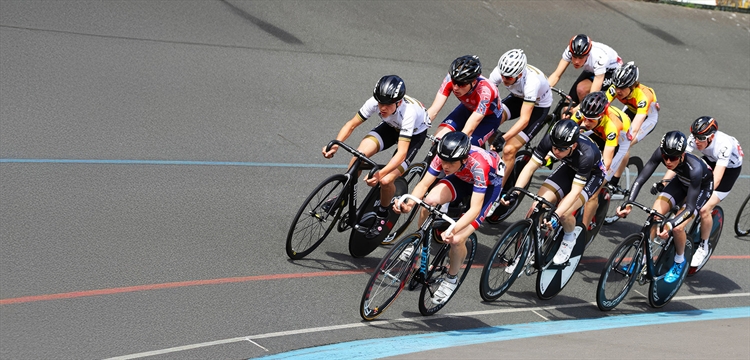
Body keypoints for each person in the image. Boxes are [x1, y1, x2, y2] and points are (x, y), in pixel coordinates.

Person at [393, 131, 503, 304]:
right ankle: (421, 246)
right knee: (428, 201)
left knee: (457, 239)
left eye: (450, 162)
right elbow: (424, 184)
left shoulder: (479, 166)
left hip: (488, 187)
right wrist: (409, 203)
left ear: (464, 159)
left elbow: (475, 209)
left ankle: (451, 279)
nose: (445, 165)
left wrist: (454, 228)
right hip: (462, 178)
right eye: (443, 160)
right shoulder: (443, 156)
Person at [322, 75, 431, 238]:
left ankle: (382, 214)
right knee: (359, 155)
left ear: (398, 102)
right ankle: (343, 196)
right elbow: (351, 124)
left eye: (387, 105)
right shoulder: (376, 102)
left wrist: (381, 173)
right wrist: (336, 144)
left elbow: (402, 153)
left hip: (414, 135)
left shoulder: (409, 113)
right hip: (390, 127)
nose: (382, 108)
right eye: (380, 103)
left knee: (386, 180)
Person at [615, 131, 714, 283]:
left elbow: (689, 208)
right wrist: (629, 202)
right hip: (680, 182)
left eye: (673, 158)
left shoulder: (695, 169)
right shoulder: (661, 154)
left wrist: (670, 223)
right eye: (665, 156)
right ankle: (642, 260)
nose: (668, 161)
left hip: (700, 188)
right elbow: (641, 179)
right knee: (654, 215)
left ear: (682, 155)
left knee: (677, 228)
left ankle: (679, 261)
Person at [503, 119, 606, 266]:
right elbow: (530, 167)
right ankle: (529, 248)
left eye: (561, 149)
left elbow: (575, 192)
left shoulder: (586, 155)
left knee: (564, 213)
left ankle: (569, 238)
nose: (556, 152)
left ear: (574, 145)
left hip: (592, 175)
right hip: (569, 166)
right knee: (536, 206)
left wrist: (556, 215)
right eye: (554, 147)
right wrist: (515, 193)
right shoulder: (549, 140)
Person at [487, 49, 553, 188]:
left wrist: (503, 139)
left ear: (520, 74)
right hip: (518, 98)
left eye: (509, 78)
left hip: (537, 106)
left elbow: (524, 120)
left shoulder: (531, 83)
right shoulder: (499, 72)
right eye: (503, 76)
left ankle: (496, 193)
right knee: (487, 123)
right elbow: (486, 100)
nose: (504, 80)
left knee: (509, 149)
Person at [685, 117, 743, 267]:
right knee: (685, 186)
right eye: (695, 137)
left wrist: (704, 197)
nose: (697, 141)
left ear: (711, 136)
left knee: (704, 209)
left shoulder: (724, 145)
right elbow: (680, 159)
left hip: (729, 170)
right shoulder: (697, 137)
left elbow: (716, 180)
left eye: (701, 138)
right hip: (711, 160)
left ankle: (703, 247)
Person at [570, 91, 631, 230]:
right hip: (598, 129)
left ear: (601, 115)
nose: (585, 121)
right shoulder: (586, 114)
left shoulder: (611, 127)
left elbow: (606, 162)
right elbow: (568, 130)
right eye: (584, 118)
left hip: (619, 141)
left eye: (590, 119)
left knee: (593, 191)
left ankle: (582, 231)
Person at [603, 62, 660, 205]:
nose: (618, 91)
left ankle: (614, 181)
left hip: (647, 118)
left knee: (624, 142)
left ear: (632, 85)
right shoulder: (615, 88)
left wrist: (625, 138)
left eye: (622, 88)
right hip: (630, 110)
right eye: (616, 87)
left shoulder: (643, 95)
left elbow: (634, 127)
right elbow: (602, 107)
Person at [427, 55, 509, 147]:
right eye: (454, 82)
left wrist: (459, 142)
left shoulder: (486, 91)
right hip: (467, 109)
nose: (455, 87)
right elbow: (434, 110)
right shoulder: (450, 78)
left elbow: (469, 128)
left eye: (461, 84)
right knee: (438, 139)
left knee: (461, 147)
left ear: (473, 82)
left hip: (488, 118)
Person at [547, 34, 622, 105]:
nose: (576, 61)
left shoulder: (599, 58)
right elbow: (556, 75)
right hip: (593, 69)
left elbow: (593, 94)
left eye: (580, 58)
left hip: (612, 72)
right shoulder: (571, 50)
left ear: (588, 55)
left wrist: (578, 112)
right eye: (575, 56)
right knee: (568, 103)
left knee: (582, 89)